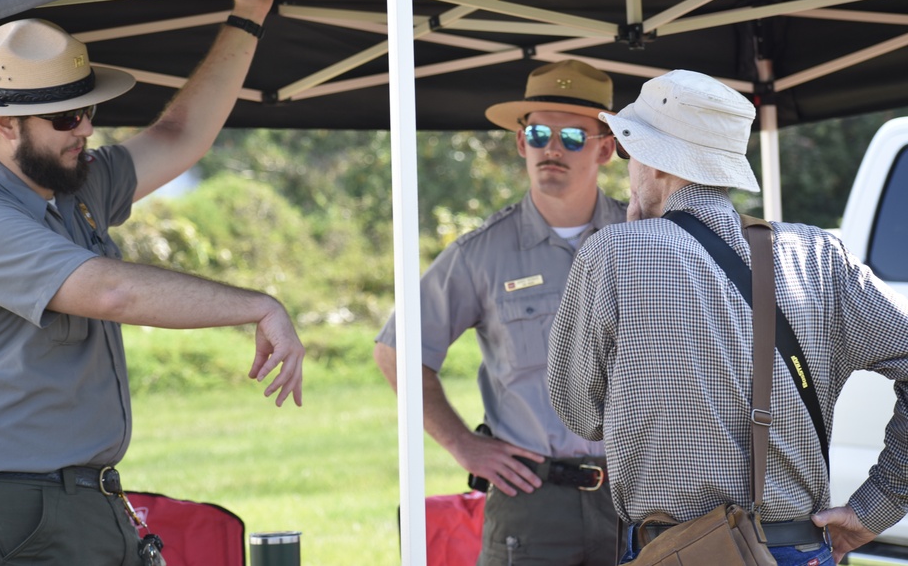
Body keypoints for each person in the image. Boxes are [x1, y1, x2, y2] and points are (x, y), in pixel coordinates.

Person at [0, 0, 305, 565]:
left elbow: (177, 135)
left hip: (79, 498)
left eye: (88, 108)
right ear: (7, 125)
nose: (87, 129)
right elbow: (110, 290)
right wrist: (257, 305)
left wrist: (249, 13)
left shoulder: (74, 183)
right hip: (15, 508)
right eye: (66, 118)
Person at [547, 68, 908, 566]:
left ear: (655, 161)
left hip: (677, 554)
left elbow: (580, 413)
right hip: (801, 549)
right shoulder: (820, 255)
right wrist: (877, 507)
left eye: (630, 153)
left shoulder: (612, 254)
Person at [374, 60, 627, 565]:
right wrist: (464, 445)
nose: (552, 149)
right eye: (538, 133)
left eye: (573, 137)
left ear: (605, 149)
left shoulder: (647, 240)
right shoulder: (480, 255)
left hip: (640, 496)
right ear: (520, 143)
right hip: (534, 501)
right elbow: (395, 351)